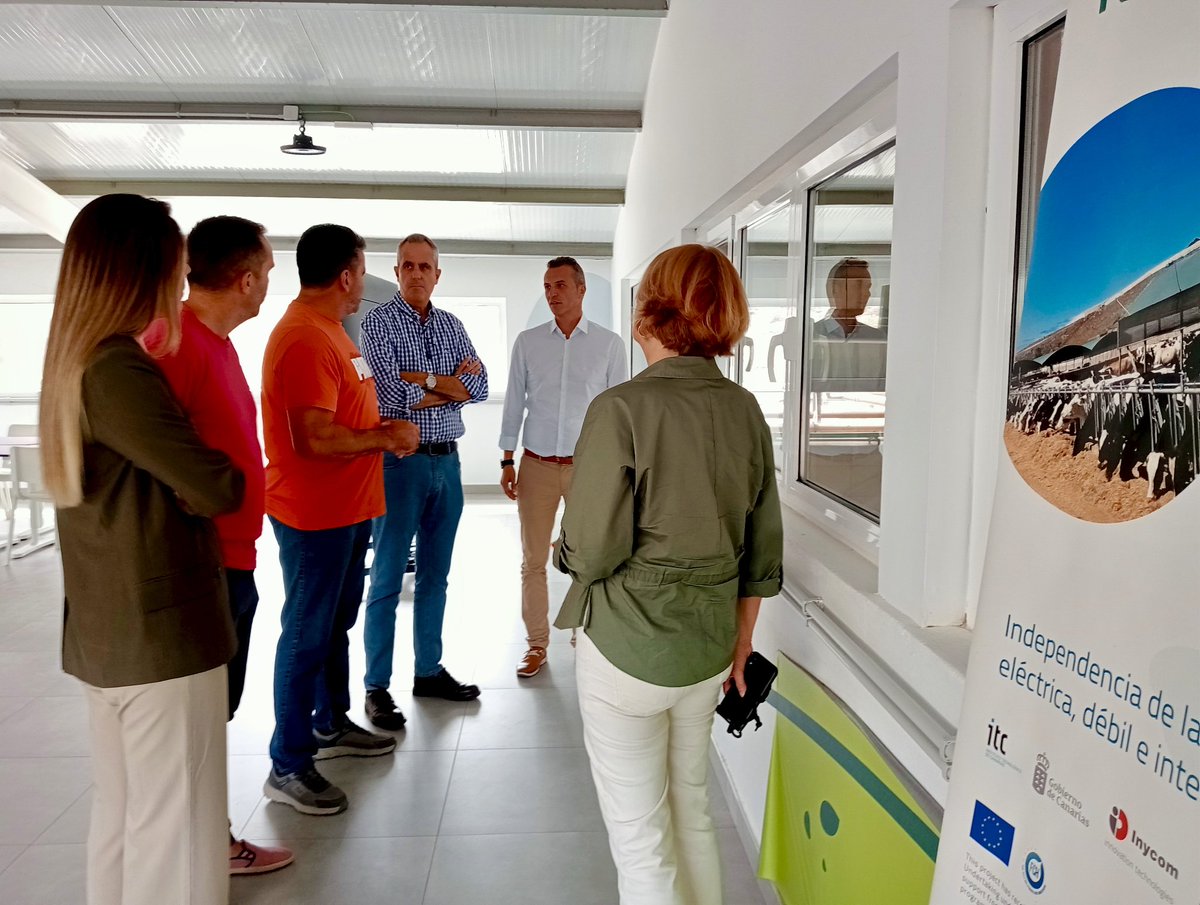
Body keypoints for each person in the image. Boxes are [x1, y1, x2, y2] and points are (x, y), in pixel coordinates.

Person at [553, 244, 783, 905]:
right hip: (708, 651)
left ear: (650, 309)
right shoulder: (745, 411)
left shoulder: (620, 409)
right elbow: (762, 552)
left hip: (626, 648)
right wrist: (740, 643)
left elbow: (593, 551)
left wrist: (562, 552)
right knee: (694, 811)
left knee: (641, 843)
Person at [39, 193, 245, 905]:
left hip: (112, 632)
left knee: (126, 820)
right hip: (161, 636)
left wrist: (184, 478)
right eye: (176, 266)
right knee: (177, 834)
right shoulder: (118, 368)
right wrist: (199, 478)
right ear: (143, 270)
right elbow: (217, 482)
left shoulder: (74, 360)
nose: (180, 282)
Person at [143, 216, 293, 875]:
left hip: (235, 558)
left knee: (214, 715)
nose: (269, 281)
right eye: (267, 269)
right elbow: (149, 460)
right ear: (247, 278)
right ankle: (193, 850)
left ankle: (210, 839)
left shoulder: (218, 341)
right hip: (202, 566)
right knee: (192, 725)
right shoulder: (171, 343)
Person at [260, 223, 419, 816]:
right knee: (305, 634)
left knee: (333, 625)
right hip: (314, 516)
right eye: (362, 270)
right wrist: (383, 435)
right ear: (346, 274)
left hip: (349, 510)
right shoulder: (304, 338)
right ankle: (289, 763)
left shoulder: (332, 331)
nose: (363, 286)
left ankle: (330, 723)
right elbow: (313, 437)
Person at [358, 233, 489, 728]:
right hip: (401, 464)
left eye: (425, 266)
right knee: (388, 579)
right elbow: (390, 397)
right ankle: (376, 687)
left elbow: (479, 385)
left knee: (436, 576)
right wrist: (448, 386)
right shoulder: (378, 323)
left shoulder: (453, 325)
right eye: (407, 266)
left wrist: (427, 381)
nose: (416, 273)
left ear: (437, 275)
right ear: (396, 273)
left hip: (447, 464)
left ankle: (428, 671)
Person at [498, 256, 626, 678]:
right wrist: (507, 458)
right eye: (547, 286)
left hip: (586, 470)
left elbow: (615, 413)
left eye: (560, 285)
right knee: (533, 559)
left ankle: (583, 639)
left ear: (581, 289)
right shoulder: (528, 342)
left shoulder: (609, 345)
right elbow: (515, 402)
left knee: (586, 557)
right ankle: (536, 645)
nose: (552, 294)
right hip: (535, 465)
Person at [810, 257, 887, 384]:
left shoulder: (877, 339)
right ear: (834, 290)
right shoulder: (810, 336)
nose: (866, 294)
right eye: (858, 285)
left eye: (867, 287)